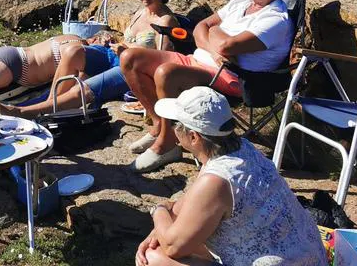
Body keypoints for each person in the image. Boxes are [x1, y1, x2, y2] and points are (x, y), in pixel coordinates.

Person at [119, 0, 292, 172]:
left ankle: (167, 145)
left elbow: (227, 46)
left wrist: (216, 31)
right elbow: (201, 27)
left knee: (166, 73)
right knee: (130, 58)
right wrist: (214, 45)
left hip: (234, 78)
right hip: (201, 61)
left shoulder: (276, 19)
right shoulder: (241, 1)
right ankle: (159, 126)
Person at [135, 86, 327, 266]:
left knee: (155, 258)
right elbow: (187, 207)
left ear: (194, 136)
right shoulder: (243, 148)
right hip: (307, 256)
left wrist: (158, 210)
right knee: (173, 237)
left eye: (175, 124)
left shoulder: (216, 180)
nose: (173, 130)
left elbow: (172, 247)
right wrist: (162, 226)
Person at [0, 0, 179, 119]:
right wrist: (113, 40)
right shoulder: (141, 12)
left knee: (85, 86)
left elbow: (163, 58)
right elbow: (128, 39)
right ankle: (50, 101)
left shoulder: (166, 21)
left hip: (132, 66)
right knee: (72, 51)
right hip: (113, 54)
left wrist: (127, 49)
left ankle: (27, 112)